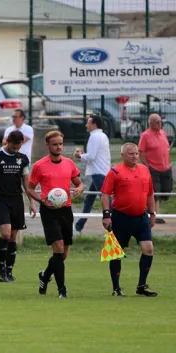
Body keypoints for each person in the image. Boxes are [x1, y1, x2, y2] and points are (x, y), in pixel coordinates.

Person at [27, 131, 84, 299]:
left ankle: (45, 275)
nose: (58, 147)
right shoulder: (39, 166)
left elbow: (79, 183)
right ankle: (62, 291)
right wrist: (42, 200)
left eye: (60, 143)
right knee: (58, 247)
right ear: (47, 146)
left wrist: (78, 189)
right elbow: (30, 189)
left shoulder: (69, 163)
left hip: (66, 210)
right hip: (49, 211)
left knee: (63, 254)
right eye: (55, 144)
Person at [100, 143, 158, 297]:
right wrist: (106, 215)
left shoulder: (145, 170)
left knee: (148, 249)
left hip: (141, 217)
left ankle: (141, 286)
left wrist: (152, 213)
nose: (135, 156)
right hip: (121, 218)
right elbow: (105, 194)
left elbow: (150, 193)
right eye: (131, 154)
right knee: (117, 252)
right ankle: (116, 288)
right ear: (123, 156)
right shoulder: (115, 172)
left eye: (136, 154)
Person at [0, 130, 36, 282]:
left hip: (16, 199)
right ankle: (1, 269)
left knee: (13, 237)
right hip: (0, 199)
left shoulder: (22, 158)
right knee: (5, 234)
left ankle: (9, 271)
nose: (16, 150)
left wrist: (32, 202)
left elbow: (27, 182)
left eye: (18, 147)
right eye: (14, 147)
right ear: (8, 141)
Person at [73, 115, 111, 233]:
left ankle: (113, 228)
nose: (86, 124)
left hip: (98, 172)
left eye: (88, 122)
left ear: (94, 124)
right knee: (89, 199)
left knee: (107, 201)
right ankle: (79, 226)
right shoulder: (102, 135)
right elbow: (94, 155)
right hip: (102, 171)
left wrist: (79, 155)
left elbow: (92, 156)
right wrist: (84, 154)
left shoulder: (94, 137)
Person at [139, 113, 172, 224]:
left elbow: (166, 149)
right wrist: (148, 166)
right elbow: (141, 152)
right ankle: (154, 214)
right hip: (154, 168)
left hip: (166, 167)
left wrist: (169, 162)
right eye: (157, 122)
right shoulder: (145, 135)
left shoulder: (163, 133)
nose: (160, 123)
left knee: (166, 191)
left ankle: (149, 210)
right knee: (155, 192)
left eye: (160, 121)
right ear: (151, 123)